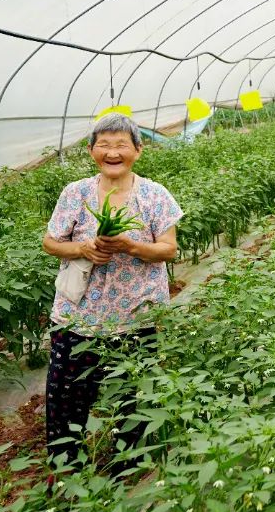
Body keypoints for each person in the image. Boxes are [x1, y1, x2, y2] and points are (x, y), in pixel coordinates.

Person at [42, 113, 182, 471]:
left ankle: (125, 470)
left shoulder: (154, 195)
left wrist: (130, 246)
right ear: (91, 151)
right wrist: (83, 249)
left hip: (135, 318)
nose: (112, 151)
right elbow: (51, 242)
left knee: (131, 401)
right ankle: (65, 470)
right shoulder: (75, 193)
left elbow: (168, 249)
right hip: (78, 318)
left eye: (121, 144)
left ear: (138, 149)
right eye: (103, 144)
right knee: (66, 401)